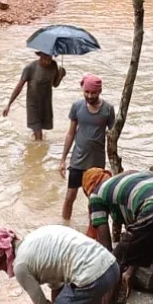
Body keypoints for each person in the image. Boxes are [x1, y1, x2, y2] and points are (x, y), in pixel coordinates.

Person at [83, 168, 153, 304]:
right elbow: (140, 240)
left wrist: (111, 270)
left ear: (88, 189)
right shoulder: (127, 178)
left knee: (113, 266)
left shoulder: (96, 195)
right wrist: (131, 271)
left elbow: (106, 248)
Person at [0, 225, 119, 304]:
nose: (3, 271)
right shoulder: (33, 240)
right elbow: (56, 286)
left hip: (91, 277)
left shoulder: (20, 266)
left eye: (0, 267)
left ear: (3, 257)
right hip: (111, 267)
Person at [58, 74, 114, 220]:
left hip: (96, 164)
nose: (89, 95)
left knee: (94, 200)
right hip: (77, 160)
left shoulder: (108, 109)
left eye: (93, 93)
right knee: (70, 196)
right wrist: (63, 160)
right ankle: (65, 226)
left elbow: (113, 136)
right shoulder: (77, 107)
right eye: (86, 92)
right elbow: (70, 133)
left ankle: (93, 230)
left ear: (99, 91)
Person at [3, 52, 67, 141]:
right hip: (33, 104)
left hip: (46, 103)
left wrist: (60, 76)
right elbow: (19, 86)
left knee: (40, 129)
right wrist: (9, 104)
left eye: (50, 56)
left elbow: (54, 84)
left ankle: (34, 143)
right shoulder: (30, 68)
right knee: (39, 134)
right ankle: (38, 151)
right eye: (46, 56)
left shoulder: (53, 65)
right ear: (40, 55)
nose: (48, 59)